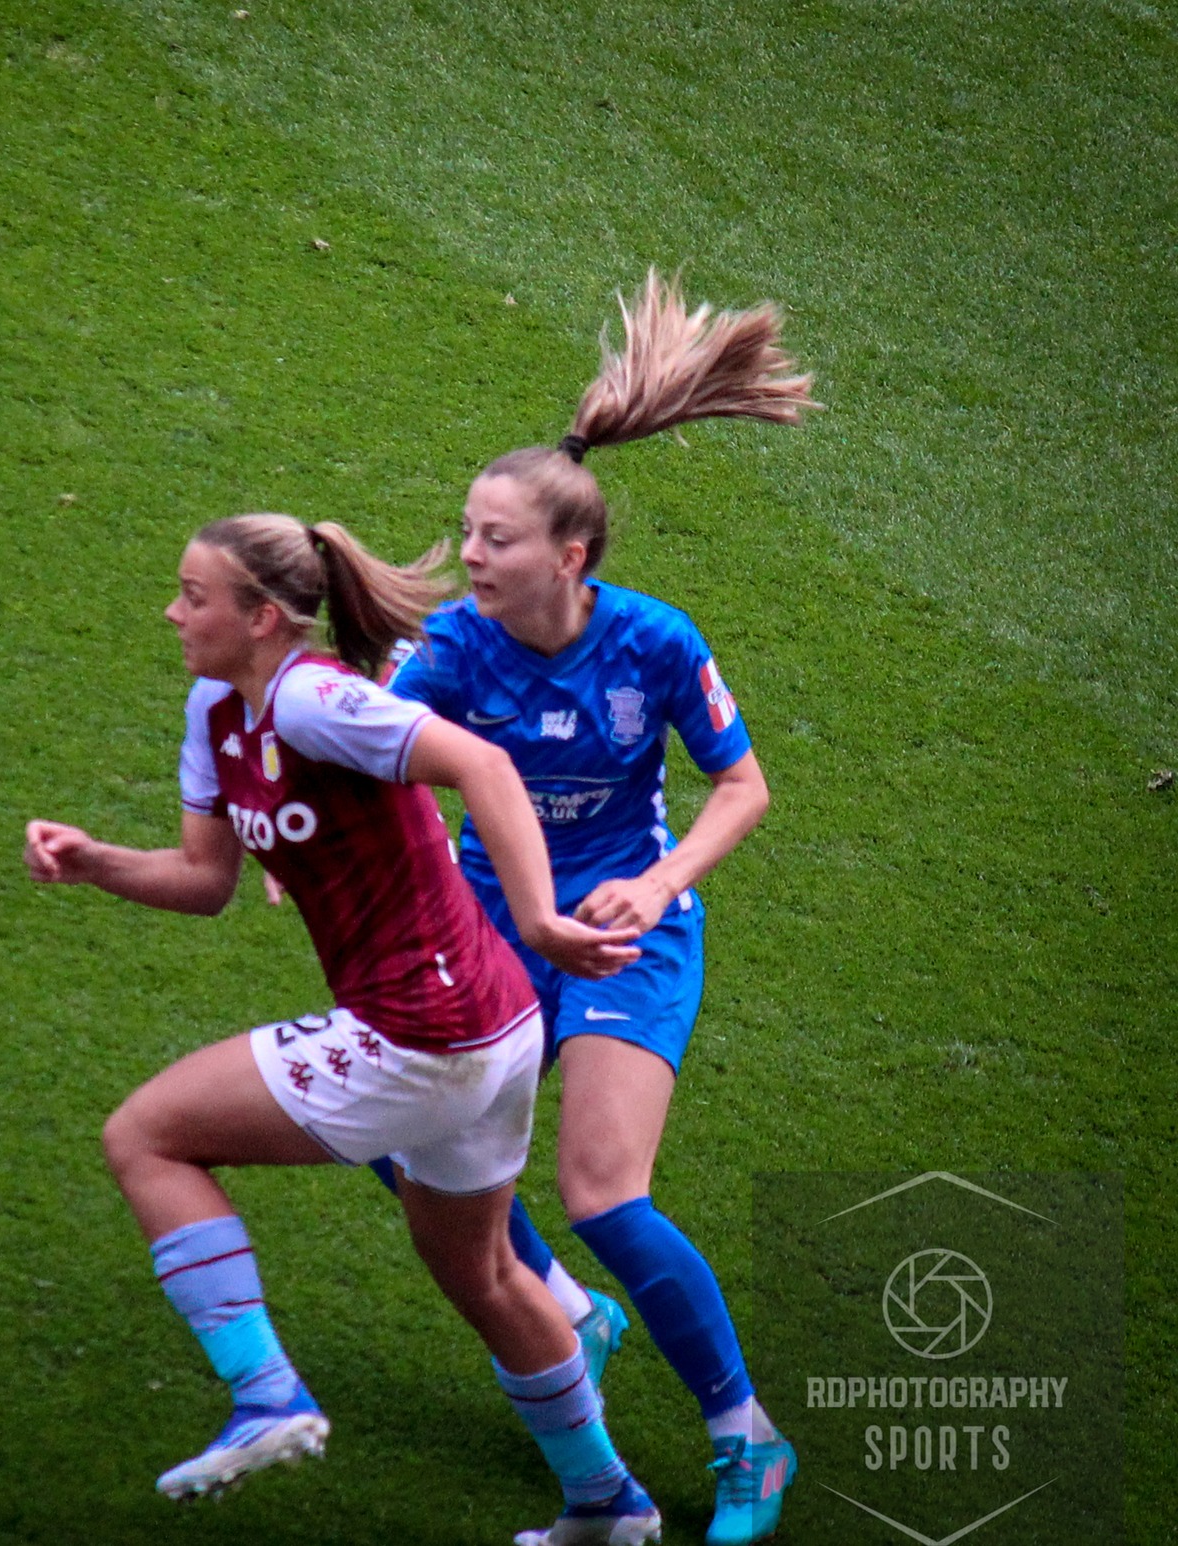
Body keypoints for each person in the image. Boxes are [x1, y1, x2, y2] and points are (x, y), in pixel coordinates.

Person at [24, 513, 663, 1544]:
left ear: (262, 616)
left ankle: (267, 1396)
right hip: (480, 1027)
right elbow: (202, 881)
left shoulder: (314, 700)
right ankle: (608, 1504)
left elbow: (485, 770)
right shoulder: (218, 712)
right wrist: (93, 858)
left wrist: (541, 918)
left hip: (429, 1029)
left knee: (144, 1137)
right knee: (485, 1273)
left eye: (194, 596)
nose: (172, 611)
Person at [380, 271, 817, 1546]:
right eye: (465, 532)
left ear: (570, 556)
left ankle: (747, 1437)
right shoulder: (452, 649)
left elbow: (740, 786)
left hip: (629, 924)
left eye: (493, 541)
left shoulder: (655, 641)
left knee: (603, 1190)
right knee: (399, 1138)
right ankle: (564, 1307)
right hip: (487, 923)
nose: (467, 557)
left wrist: (661, 878)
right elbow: (373, 750)